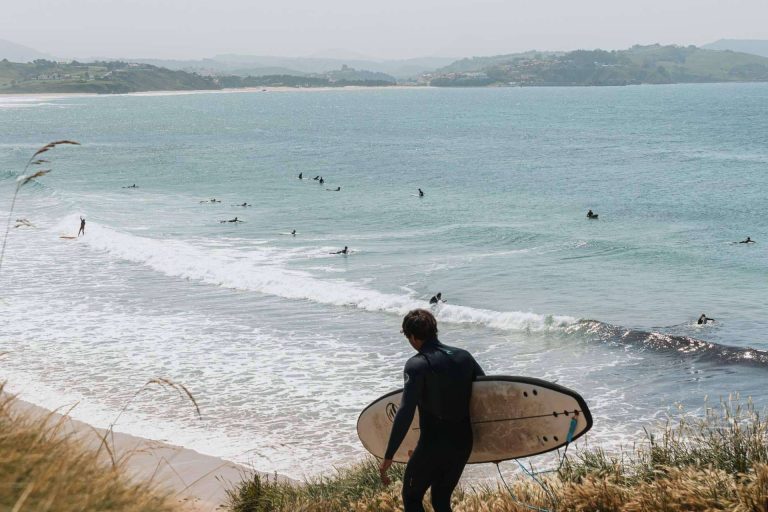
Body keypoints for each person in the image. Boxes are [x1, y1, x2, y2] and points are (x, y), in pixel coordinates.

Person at [380, 309, 485, 512]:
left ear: (412, 336)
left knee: (411, 497)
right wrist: (497, 446)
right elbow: (487, 398)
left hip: (433, 445)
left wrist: (389, 455)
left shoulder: (416, 365)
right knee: (440, 498)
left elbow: (406, 410)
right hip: (462, 443)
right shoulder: (464, 357)